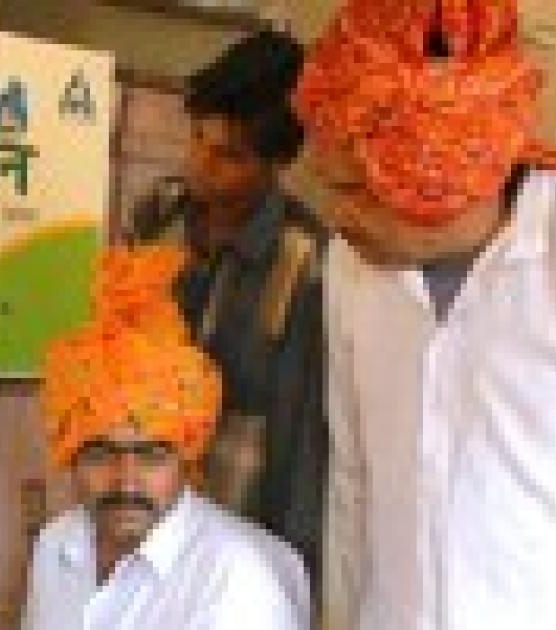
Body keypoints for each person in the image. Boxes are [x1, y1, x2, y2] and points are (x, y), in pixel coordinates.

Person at [291, 1, 556, 628]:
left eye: (354, 190)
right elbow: (353, 483)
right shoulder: (352, 265)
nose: (336, 214)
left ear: (437, 184)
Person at [126, 28, 329, 584]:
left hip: (234, 547)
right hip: (141, 520)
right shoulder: (156, 216)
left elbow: (299, 450)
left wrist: (288, 580)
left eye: (228, 156)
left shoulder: (304, 264)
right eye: (196, 138)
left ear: (277, 163)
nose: (200, 164)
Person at [23, 246, 311, 630]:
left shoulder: (239, 584)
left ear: (186, 460)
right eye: (101, 453)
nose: (126, 481)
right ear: (69, 455)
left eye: (152, 455)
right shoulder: (55, 548)